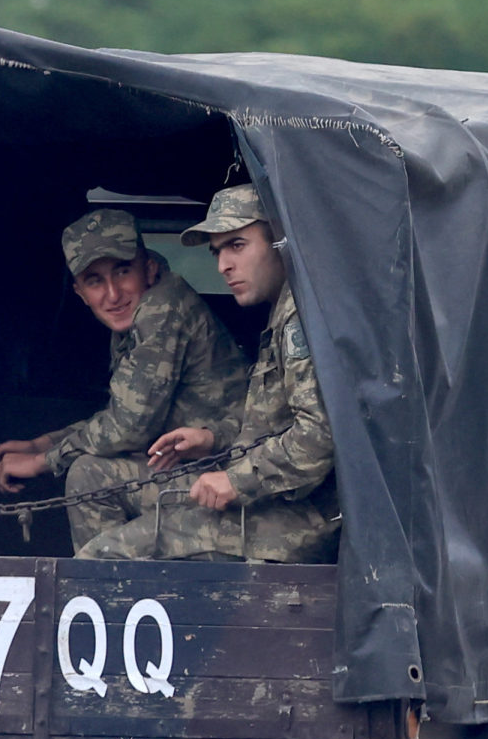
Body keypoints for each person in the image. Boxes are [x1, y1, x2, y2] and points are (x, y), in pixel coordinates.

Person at [86, 185, 338, 563]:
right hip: (268, 500)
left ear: (281, 242)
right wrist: (212, 438)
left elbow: (320, 435)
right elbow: (273, 421)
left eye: (237, 245)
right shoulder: (286, 310)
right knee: (93, 483)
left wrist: (237, 480)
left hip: (297, 519)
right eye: (217, 252)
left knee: (106, 555)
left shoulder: (303, 318)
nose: (223, 266)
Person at [0, 210, 248, 553]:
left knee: (88, 475)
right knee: (89, 471)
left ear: (149, 268)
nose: (112, 294)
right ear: (79, 293)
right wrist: (42, 443)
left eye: (122, 271)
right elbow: (121, 413)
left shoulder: (162, 307)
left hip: (227, 482)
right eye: (95, 281)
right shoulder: (135, 317)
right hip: (200, 472)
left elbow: (128, 428)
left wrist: (42, 461)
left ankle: (110, 592)